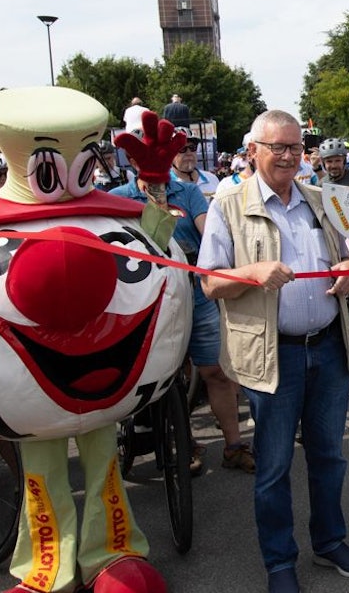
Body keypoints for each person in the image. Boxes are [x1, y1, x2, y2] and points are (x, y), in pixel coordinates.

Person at [198, 110, 349, 593]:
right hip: (273, 355)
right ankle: (279, 562)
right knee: (274, 467)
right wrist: (251, 274)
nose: (288, 156)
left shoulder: (320, 198)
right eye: (277, 147)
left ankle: (329, 541)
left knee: (329, 456)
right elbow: (210, 281)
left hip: (329, 349)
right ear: (252, 150)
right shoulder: (228, 203)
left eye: (296, 147)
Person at [111, 158, 252, 477]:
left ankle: (234, 446)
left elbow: (206, 229)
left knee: (215, 371)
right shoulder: (119, 197)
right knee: (161, 377)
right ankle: (180, 442)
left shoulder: (187, 192)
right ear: (134, 164)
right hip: (147, 297)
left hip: (195, 293)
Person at [171, 128, 220, 199]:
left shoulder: (212, 179)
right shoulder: (165, 185)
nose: (189, 153)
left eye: (192, 147)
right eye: (182, 148)